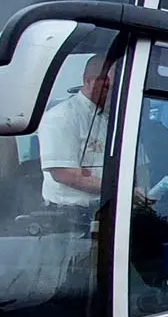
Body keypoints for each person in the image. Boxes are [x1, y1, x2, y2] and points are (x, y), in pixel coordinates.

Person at [38, 53, 149, 221]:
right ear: (88, 81)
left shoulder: (120, 118)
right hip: (71, 219)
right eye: (106, 85)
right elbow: (64, 173)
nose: (112, 91)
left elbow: (140, 166)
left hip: (116, 210)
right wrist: (120, 190)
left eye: (116, 85)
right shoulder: (61, 117)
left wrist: (143, 189)